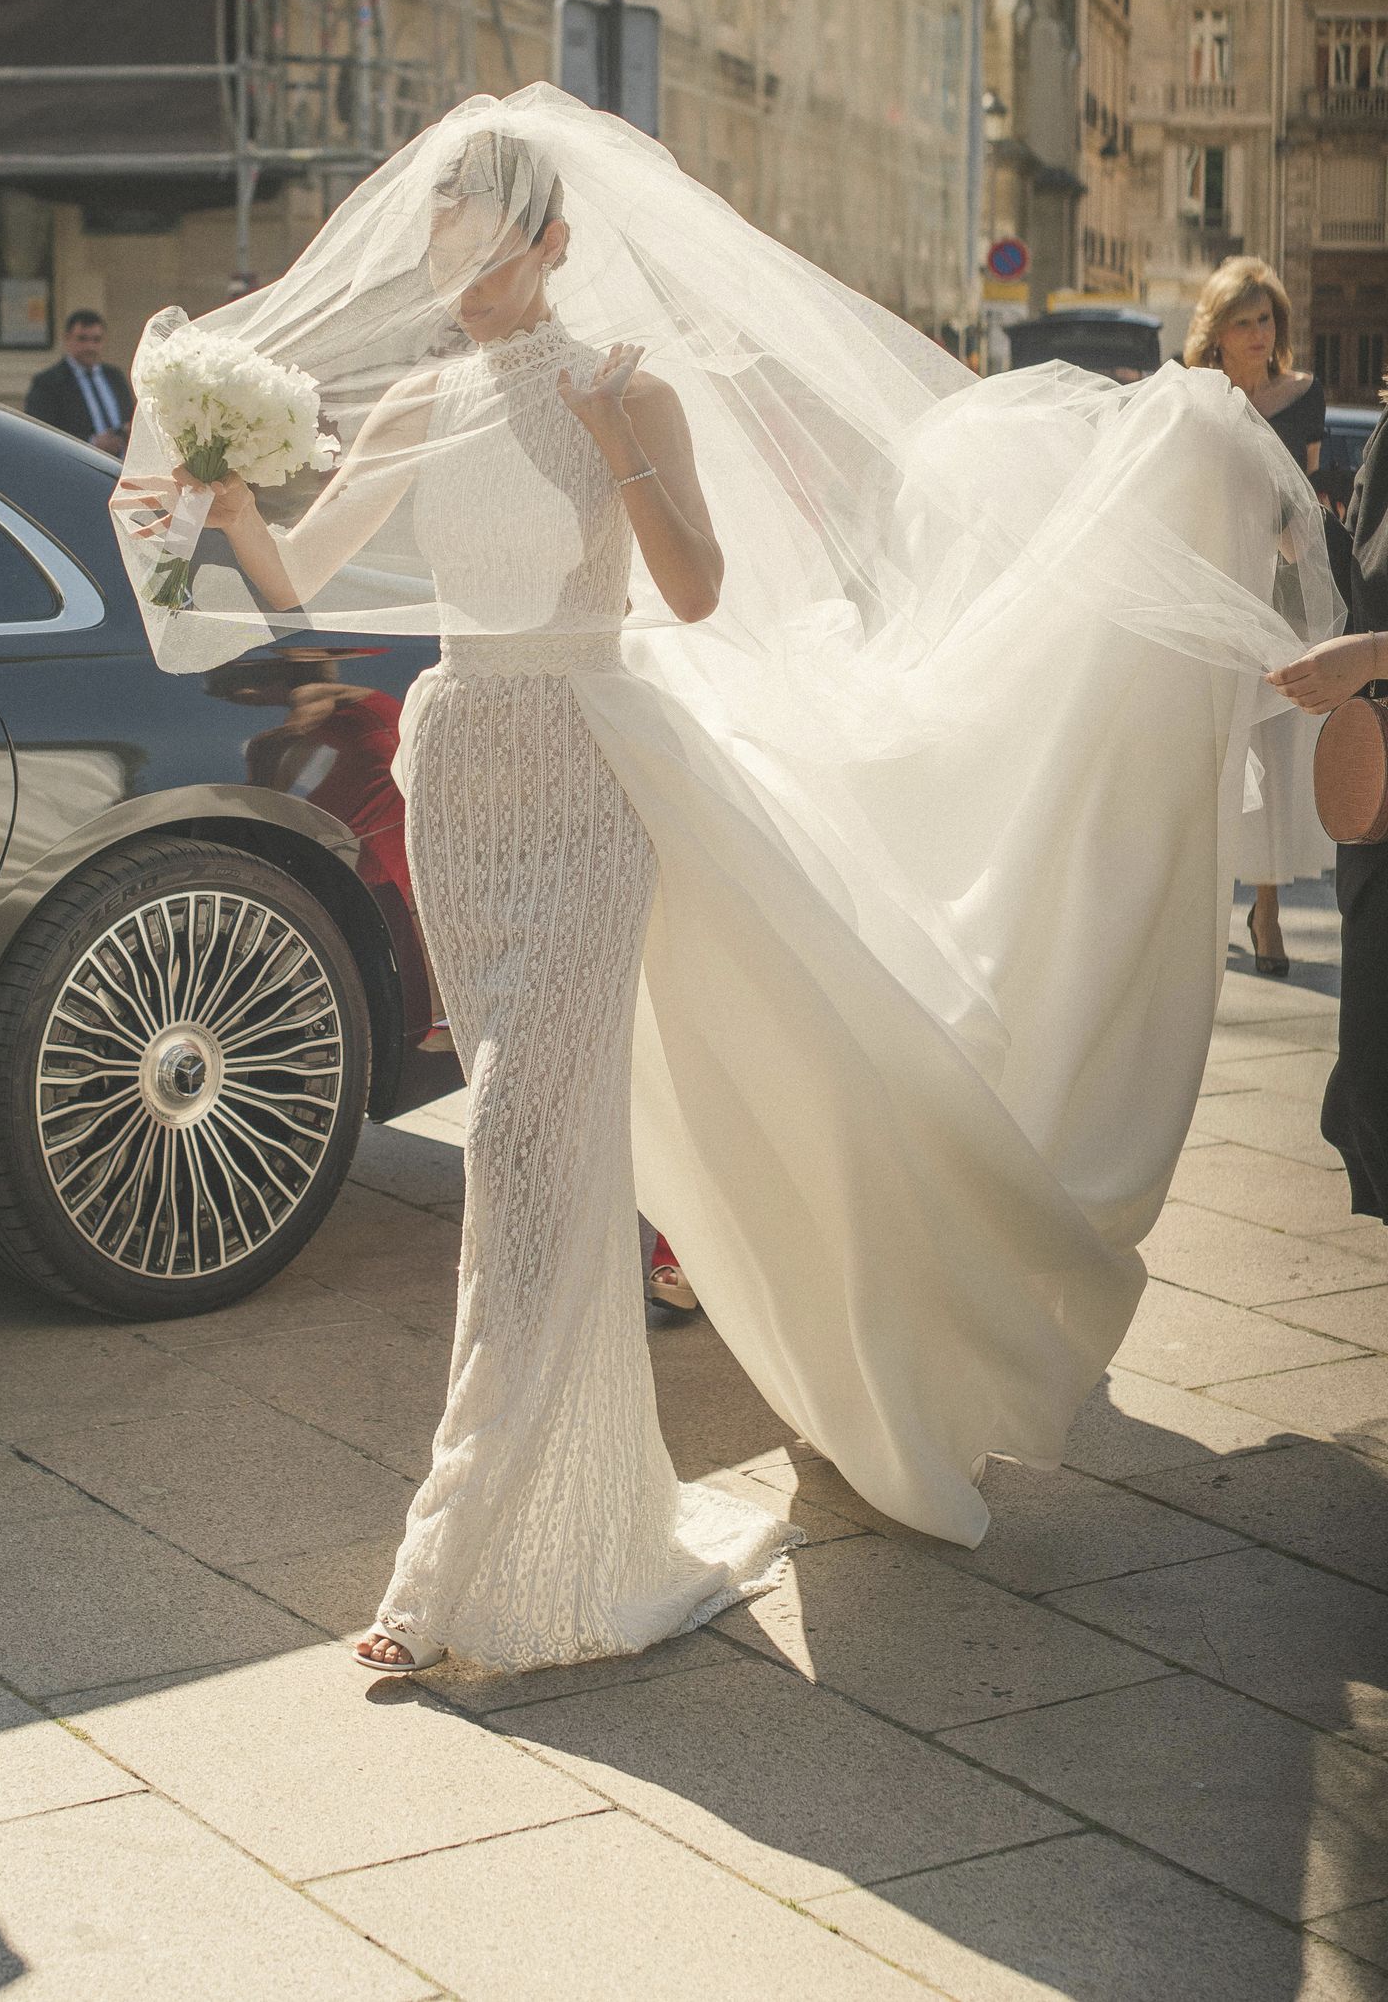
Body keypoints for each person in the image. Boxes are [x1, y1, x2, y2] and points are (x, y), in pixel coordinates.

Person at [114, 86, 1336, 1679]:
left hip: (592, 769)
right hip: (471, 766)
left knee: (533, 1154)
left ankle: (466, 1555)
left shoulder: (628, 385)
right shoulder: (418, 405)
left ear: (552, 243)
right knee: (518, 1130)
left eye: (480, 226)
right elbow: (300, 584)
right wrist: (206, 514)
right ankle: (574, 1512)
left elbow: (690, 592)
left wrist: (624, 448)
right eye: (439, 224)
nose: (452, 253)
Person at [1184, 258, 1330, 977]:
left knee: (1272, 749)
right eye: (1241, 321)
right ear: (1217, 333)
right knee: (1209, 739)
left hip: (1279, 590)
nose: (1256, 333)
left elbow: (1303, 498)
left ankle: (1266, 909)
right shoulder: (1195, 397)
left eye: (1265, 319)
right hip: (1211, 584)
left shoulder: (1303, 395)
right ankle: (1204, 898)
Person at [1269, 382, 1388, 1222]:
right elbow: (1367, 582)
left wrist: (1375, 652)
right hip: (1378, 806)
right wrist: (1302, 538)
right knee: (1372, 1078)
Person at [24, 310, 135, 456]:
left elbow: (130, 417)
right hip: (78, 466)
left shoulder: (114, 376)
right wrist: (92, 443)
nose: (90, 347)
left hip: (121, 467)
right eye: (82, 339)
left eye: (96, 340)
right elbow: (40, 434)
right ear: (67, 339)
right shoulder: (48, 383)